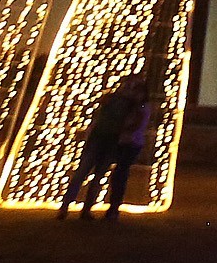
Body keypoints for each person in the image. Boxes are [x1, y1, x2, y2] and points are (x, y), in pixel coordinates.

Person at [63, 77, 138, 215]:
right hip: (99, 137)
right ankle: (67, 205)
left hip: (110, 140)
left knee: (97, 175)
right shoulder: (111, 99)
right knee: (83, 172)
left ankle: (85, 209)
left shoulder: (131, 104)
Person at [97, 77, 153, 218]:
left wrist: (121, 127)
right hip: (123, 142)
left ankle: (114, 207)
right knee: (118, 173)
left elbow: (135, 124)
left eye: (137, 91)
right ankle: (113, 206)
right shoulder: (130, 105)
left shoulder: (142, 107)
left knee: (120, 173)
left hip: (131, 143)